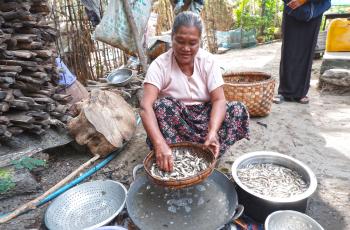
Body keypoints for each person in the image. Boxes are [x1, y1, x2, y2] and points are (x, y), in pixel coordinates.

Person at [140, 12, 249, 172]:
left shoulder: (208, 61)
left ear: (200, 42)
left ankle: (209, 153)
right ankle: (173, 154)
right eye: (180, 41)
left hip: (205, 117)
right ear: (172, 38)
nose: (186, 48)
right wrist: (159, 143)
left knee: (238, 110)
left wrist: (212, 132)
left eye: (192, 43)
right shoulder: (160, 65)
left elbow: (219, 100)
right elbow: (145, 107)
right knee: (162, 106)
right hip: (177, 121)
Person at [274, 0, 330, 104]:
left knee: (306, 52)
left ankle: (301, 93)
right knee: (288, 50)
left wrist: (303, 1)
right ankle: (283, 92)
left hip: (314, 9)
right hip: (292, 8)